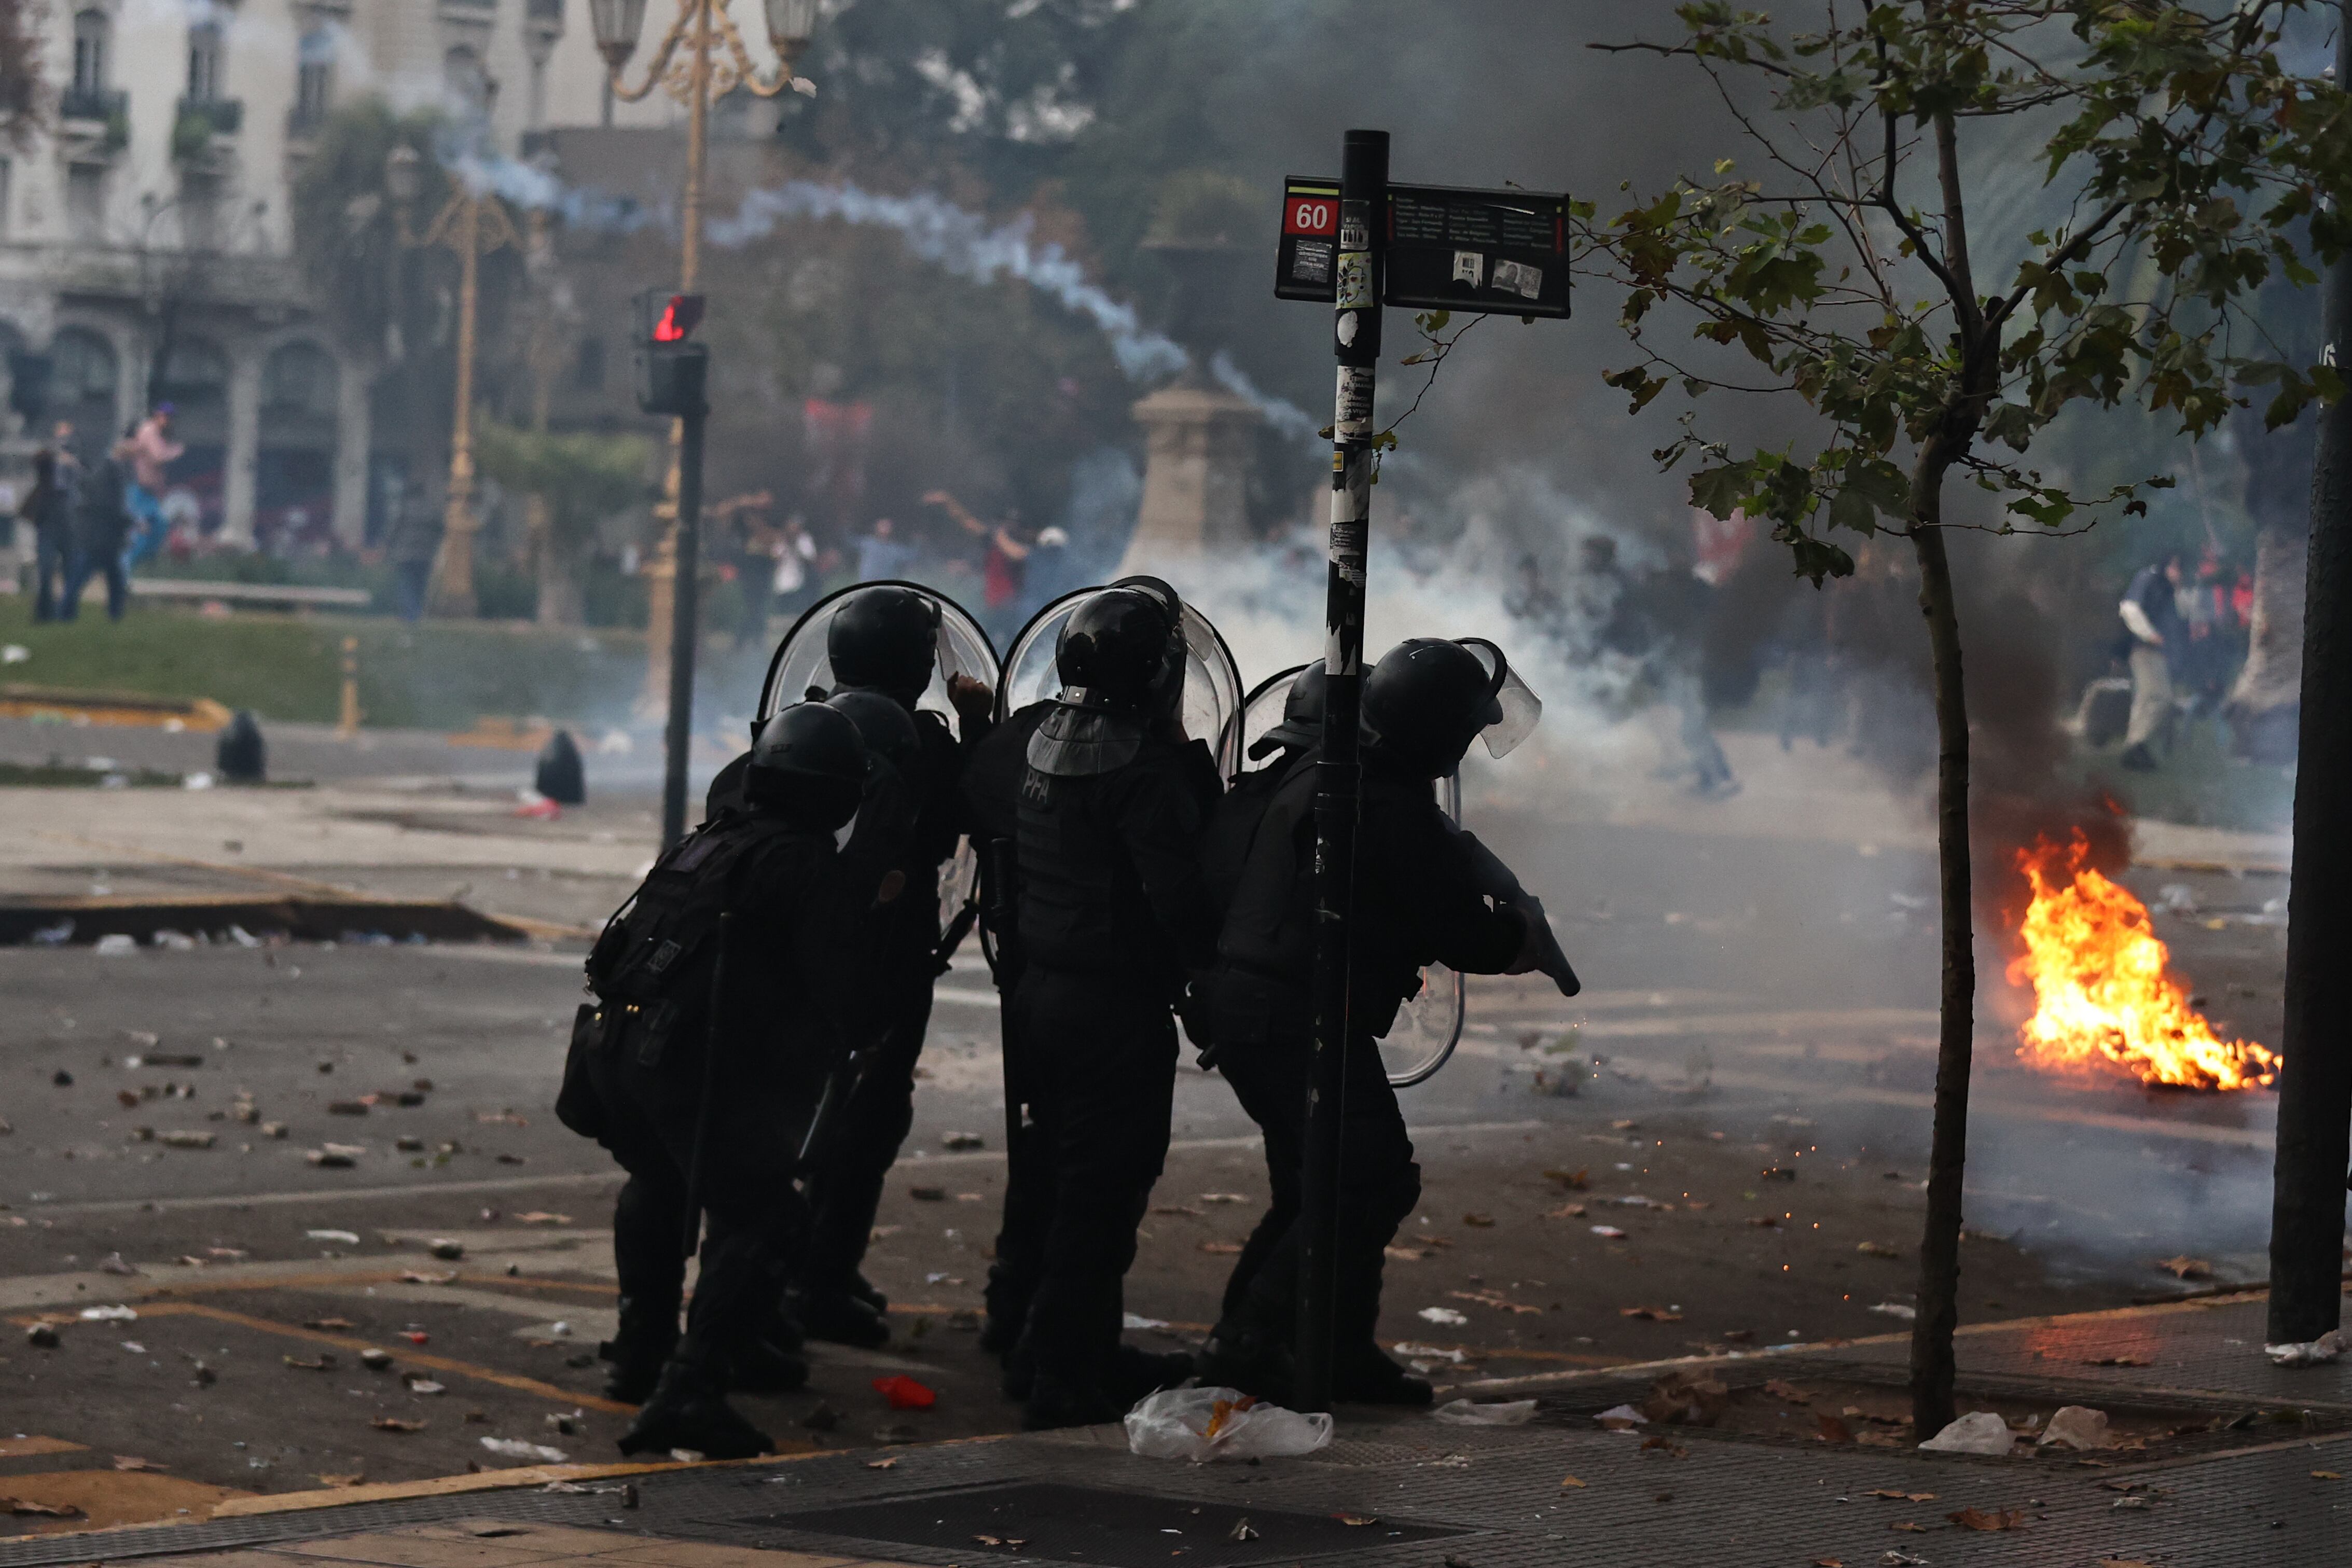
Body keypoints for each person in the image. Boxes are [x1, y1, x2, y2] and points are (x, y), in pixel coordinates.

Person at [1199, 637, 1556, 1407]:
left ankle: (1331, 1346)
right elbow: (1458, 930)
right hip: (1293, 1012)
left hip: (1253, 1005)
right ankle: (1247, 1342)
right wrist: (1520, 940)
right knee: (1366, 1179)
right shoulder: (1385, 801)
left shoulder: (1332, 774)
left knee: (1316, 1182)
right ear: (1436, 735)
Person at [558, 701, 893, 1459]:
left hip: (617, 1052)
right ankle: (690, 1391)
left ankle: (640, 1353)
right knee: (767, 1219)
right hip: (677, 1063)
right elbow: (848, 995)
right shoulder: (803, 861)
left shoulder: (709, 840)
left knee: (656, 1180)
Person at [1006, 576, 1220, 1427]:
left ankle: (1063, 1346)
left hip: (1040, 996)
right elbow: (1177, 900)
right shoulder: (1145, 770)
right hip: (1112, 1011)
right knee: (1103, 1191)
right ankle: (1061, 1372)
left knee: (1062, 1184)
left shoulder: (1033, 747)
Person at [786, 586, 997, 1347]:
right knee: (867, 1116)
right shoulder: (923, 743)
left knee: (797, 1106)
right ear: (914, 665)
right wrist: (978, 725)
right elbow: (979, 813)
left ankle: (807, 1266)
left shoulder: (803, 724)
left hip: (796, 948)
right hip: (887, 955)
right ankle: (816, 1278)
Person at [2118, 550, 2185, 771]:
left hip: (2158, 654)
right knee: (2160, 699)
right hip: (2145, 651)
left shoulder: (2168, 589)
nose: (2178, 572)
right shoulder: (2149, 578)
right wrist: (2149, 634)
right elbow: (2129, 608)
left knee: (2146, 701)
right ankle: (2136, 745)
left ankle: (2134, 750)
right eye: (2176, 567)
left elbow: (2182, 617)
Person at [64, 436, 133, 622]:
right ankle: (68, 611)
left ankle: (69, 612)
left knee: (89, 576)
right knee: (94, 576)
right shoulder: (110, 474)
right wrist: (129, 522)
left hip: (98, 536)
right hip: (102, 538)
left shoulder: (105, 472)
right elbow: (110, 507)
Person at [123, 404, 184, 567]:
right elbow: (158, 457)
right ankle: (123, 569)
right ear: (157, 415)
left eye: (170, 417)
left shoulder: (159, 434)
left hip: (149, 493)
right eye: (165, 416)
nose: (168, 421)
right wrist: (175, 452)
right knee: (140, 531)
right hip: (139, 490)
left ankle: (134, 565)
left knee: (159, 526)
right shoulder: (150, 430)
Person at [24, 448, 77, 622]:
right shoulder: (48, 482)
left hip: (58, 529)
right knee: (53, 572)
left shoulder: (52, 482)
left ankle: (53, 612)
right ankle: (57, 612)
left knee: (51, 571)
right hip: (57, 529)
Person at [383, 501, 443, 623]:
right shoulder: (433, 510)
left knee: (406, 586)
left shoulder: (405, 508)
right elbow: (439, 530)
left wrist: (388, 548)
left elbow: (394, 529)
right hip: (425, 554)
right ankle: (417, 614)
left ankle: (411, 615)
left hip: (406, 554)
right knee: (420, 586)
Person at [771, 515, 819, 620]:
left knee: (797, 612)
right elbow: (775, 556)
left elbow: (810, 558)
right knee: (783, 611)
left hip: (800, 580)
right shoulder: (781, 539)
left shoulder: (805, 539)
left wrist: (796, 546)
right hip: (783, 580)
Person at [855, 516, 914, 582]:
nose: (885, 529)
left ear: (892, 529)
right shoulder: (867, 543)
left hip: (886, 586)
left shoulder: (895, 549)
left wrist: (918, 543)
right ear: (876, 527)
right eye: (882, 525)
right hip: (867, 584)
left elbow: (911, 556)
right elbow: (849, 542)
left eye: (887, 526)